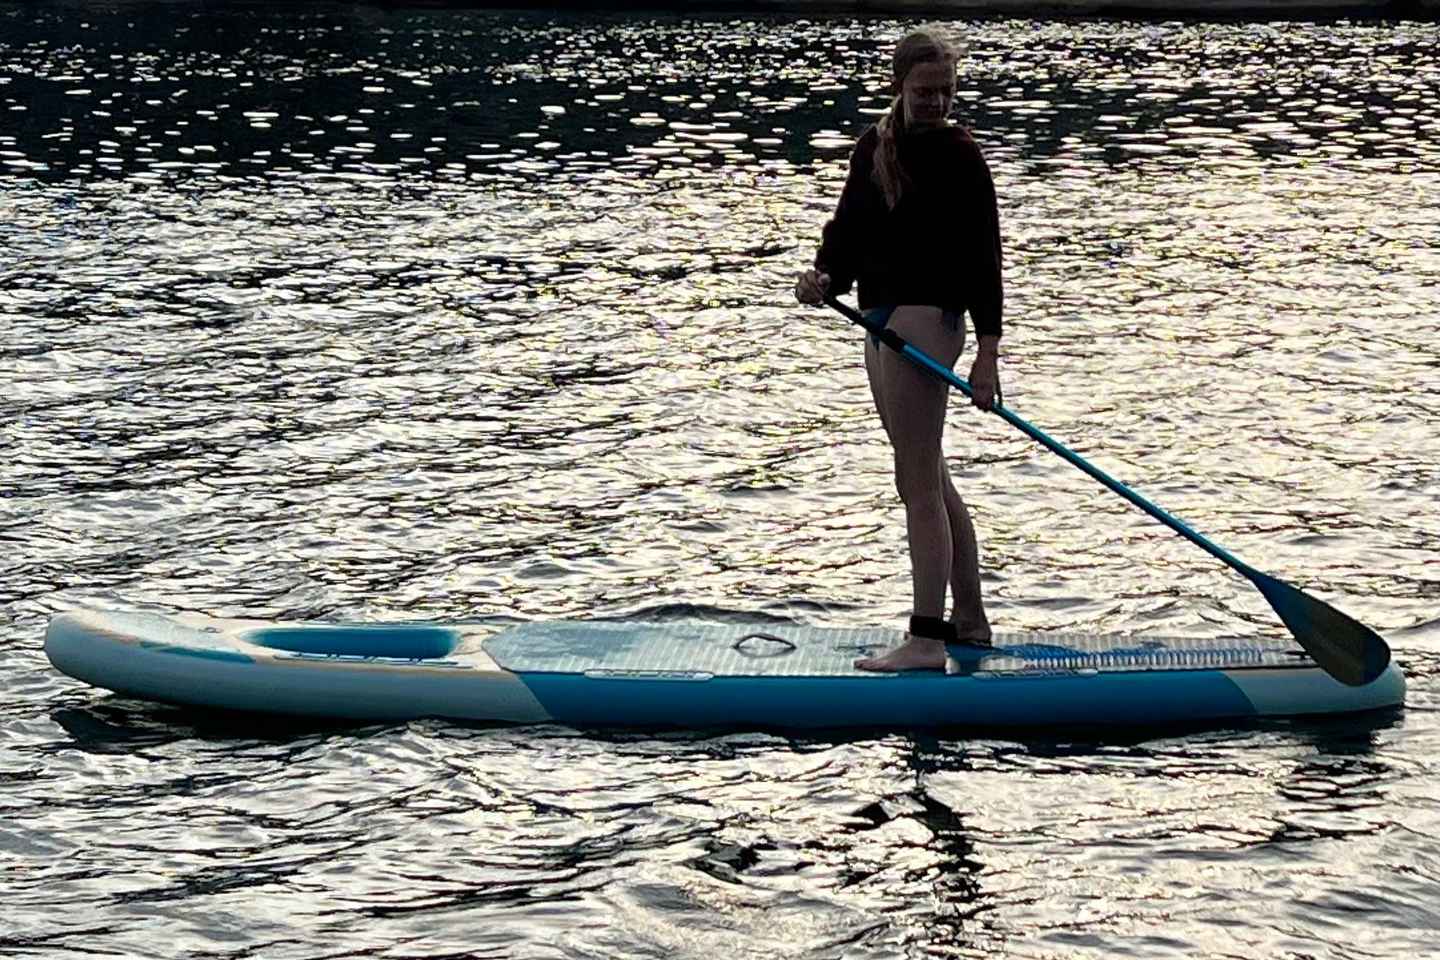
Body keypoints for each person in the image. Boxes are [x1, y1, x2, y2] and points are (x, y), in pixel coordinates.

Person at [794, 28, 1004, 672]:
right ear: (900, 86)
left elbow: (985, 258)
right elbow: (849, 228)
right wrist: (824, 276)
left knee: (915, 479)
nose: (936, 102)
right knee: (927, 472)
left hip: (929, 320)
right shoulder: (875, 145)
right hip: (879, 316)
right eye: (924, 91)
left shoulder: (961, 154)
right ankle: (969, 621)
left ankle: (926, 638)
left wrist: (988, 354)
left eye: (945, 91)